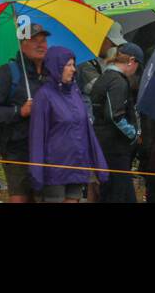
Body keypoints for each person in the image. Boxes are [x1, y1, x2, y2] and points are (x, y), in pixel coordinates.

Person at [27, 46, 107, 203]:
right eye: (68, 65)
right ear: (56, 66)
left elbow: (87, 130)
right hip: (54, 169)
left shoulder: (75, 92)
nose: (73, 69)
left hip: (76, 164)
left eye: (73, 64)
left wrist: (99, 163)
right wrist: (37, 171)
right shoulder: (44, 95)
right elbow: (37, 136)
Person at [0, 24, 50, 201]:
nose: (41, 45)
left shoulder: (52, 73)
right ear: (22, 44)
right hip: (17, 147)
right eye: (34, 40)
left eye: (43, 40)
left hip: (48, 147)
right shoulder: (8, 72)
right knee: (20, 196)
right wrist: (19, 111)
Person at [89, 42, 141, 203]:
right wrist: (134, 134)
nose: (136, 71)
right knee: (115, 194)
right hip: (114, 147)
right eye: (138, 65)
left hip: (103, 143)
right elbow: (115, 115)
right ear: (131, 61)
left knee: (121, 194)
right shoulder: (117, 81)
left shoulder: (104, 77)